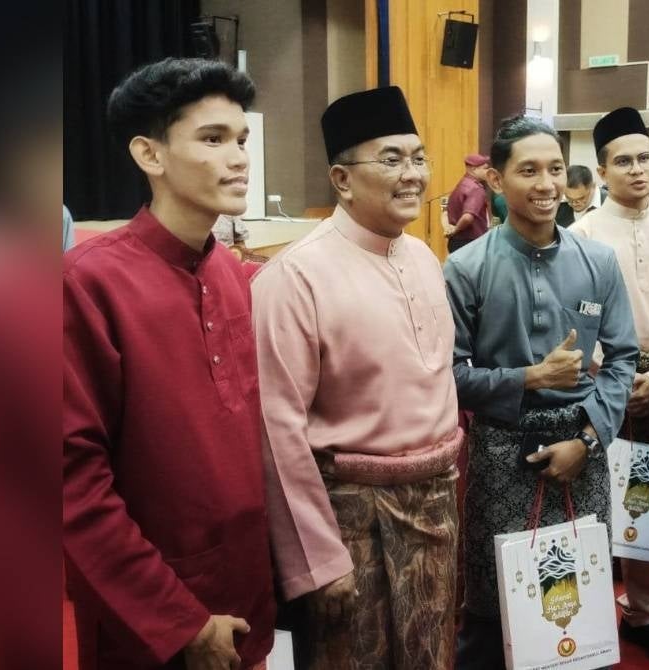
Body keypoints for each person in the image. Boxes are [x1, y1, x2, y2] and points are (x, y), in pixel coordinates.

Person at [63, 58, 281, 670]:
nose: (238, 159)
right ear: (149, 154)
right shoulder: (86, 283)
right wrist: (179, 622)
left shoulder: (229, 274)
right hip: (152, 620)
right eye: (212, 139)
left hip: (244, 599)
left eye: (241, 139)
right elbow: (70, 480)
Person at [251, 85, 462, 669]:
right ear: (342, 180)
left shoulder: (423, 257)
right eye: (391, 159)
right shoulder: (294, 277)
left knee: (431, 656)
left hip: (435, 503)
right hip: (350, 518)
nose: (412, 174)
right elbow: (276, 431)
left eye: (418, 157)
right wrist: (316, 559)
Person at [444, 115, 639, 669]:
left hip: (583, 447)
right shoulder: (465, 268)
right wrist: (529, 378)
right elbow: (448, 375)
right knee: (495, 601)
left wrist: (588, 440)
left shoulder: (597, 261)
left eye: (555, 168)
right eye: (528, 170)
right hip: (501, 449)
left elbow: (622, 358)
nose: (547, 183)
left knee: (576, 593)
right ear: (496, 180)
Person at [571, 106, 649, 669]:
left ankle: (644, 616)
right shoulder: (580, 235)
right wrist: (617, 378)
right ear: (602, 172)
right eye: (623, 161)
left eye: (645, 158)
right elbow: (578, 320)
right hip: (598, 389)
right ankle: (586, 623)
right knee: (591, 507)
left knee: (644, 510)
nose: (638, 169)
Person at [445, 152, 492, 252]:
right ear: (473, 169)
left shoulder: (462, 184)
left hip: (457, 242)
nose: (487, 171)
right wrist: (455, 230)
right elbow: (467, 217)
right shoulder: (475, 189)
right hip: (471, 243)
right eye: (485, 168)